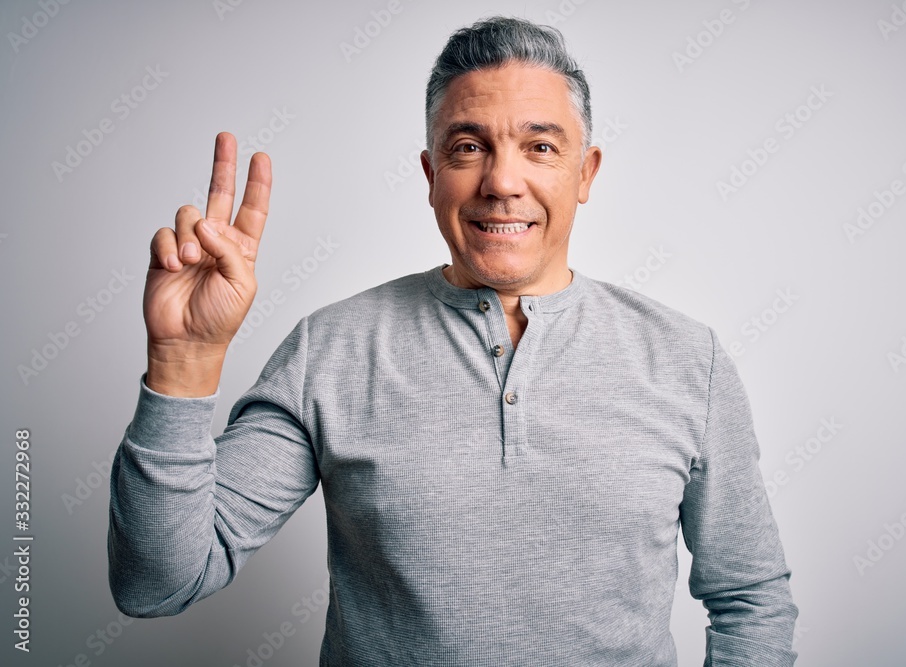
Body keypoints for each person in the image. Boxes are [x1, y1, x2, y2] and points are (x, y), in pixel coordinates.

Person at [108, 15, 798, 666]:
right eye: (469, 147)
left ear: (584, 173)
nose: (502, 182)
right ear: (431, 173)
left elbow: (751, 599)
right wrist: (182, 364)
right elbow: (157, 582)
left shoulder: (686, 359)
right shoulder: (331, 350)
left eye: (540, 147)